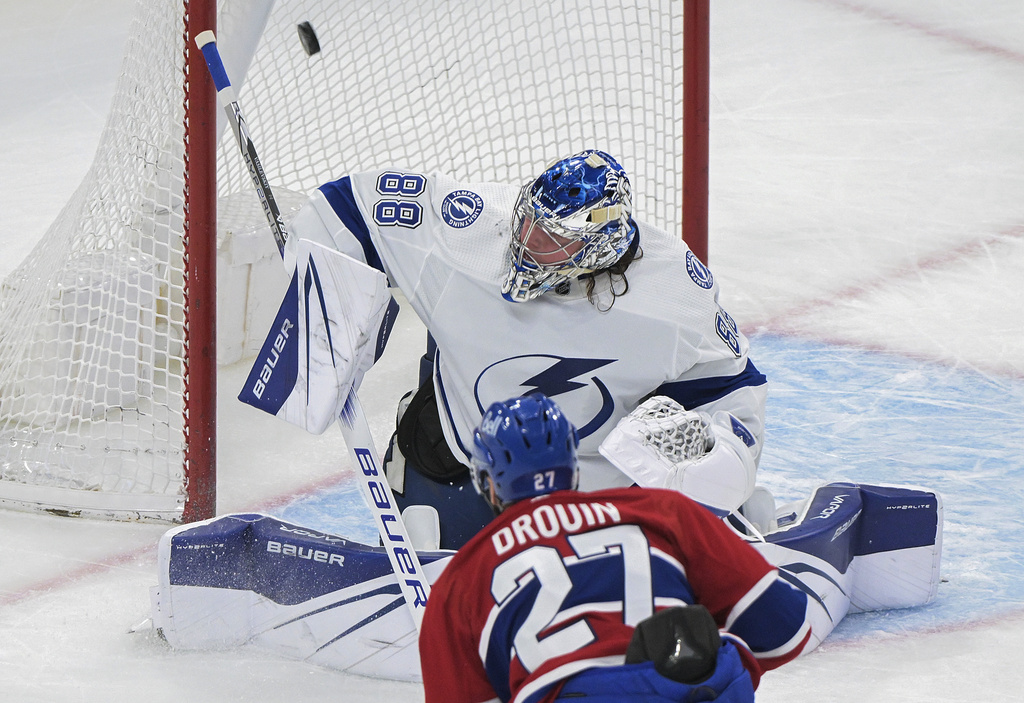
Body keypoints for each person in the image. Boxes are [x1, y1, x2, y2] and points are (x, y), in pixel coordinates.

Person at [285, 149, 767, 548]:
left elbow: (733, 392)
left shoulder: (673, 294)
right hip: (466, 465)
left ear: (597, 248)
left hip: (604, 500)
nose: (525, 245)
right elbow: (344, 207)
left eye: (551, 240)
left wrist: (720, 475)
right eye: (528, 225)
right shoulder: (467, 232)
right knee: (429, 524)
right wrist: (327, 299)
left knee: (690, 447)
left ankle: (728, 526)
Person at [418, 394, 813, 703]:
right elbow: (787, 630)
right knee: (707, 649)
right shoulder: (663, 510)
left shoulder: (460, 581)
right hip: (691, 692)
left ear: (489, 485)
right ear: (572, 466)